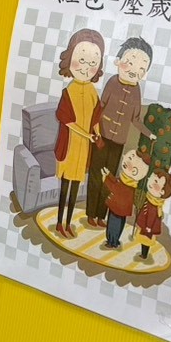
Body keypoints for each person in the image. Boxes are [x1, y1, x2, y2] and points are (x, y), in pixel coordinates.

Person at [85, 36, 151, 228]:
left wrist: (149, 134)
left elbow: (135, 119)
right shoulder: (112, 82)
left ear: (144, 73)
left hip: (118, 142)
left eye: (141, 67)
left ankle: (101, 215)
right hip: (101, 136)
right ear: (118, 61)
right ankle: (90, 214)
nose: (133, 69)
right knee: (95, 176)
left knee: (110, 178)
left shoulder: (136, 91)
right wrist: (95, 130)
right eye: (130, 62)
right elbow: (100, 106)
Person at [53, 29, 104, 239]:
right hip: (70, 146)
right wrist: (87, 135)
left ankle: (68, 223)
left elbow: (96, 117)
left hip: (84, 149)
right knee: (65, 186)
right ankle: (59, 223)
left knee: (75, 187)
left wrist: (97, 134)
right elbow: (67, 120)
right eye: (81, 60)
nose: (85, 67)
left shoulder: (92, 92)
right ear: (69, 58)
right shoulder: (69, 91)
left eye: (92, 62)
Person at [102, 147, 149, 249]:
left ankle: (112, 241)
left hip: (117, 207)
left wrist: (105, 178)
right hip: (122, 208)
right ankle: (115, 240)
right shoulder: (129, 181)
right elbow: (117, 181)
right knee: (120, 222)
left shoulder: (128, 183)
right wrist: (109, 175)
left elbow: (115, 187)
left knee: (114, 223)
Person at [135, 165, 171, 262]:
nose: (151, 183)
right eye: (152, 179)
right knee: (144, 239)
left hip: (148, 226)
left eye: (155, 183)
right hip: (146, 224)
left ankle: (144, 254)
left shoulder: (154, 204)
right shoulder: (150, 198)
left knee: (146, 240)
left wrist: (149, 226)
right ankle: (143, 253)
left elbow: (152, 217)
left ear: (162, 191)